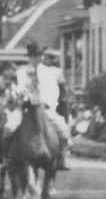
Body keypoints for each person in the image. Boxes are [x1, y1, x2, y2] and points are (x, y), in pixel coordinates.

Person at [5, 41, 71, 170]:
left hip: (44, 108)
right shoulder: (21, 72)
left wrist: (47, 102)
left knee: (63, 128)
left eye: (40, 55)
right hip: (25, 108)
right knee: (9, 127)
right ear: (30, 57)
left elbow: (53, 91)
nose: (39, 58)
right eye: (35, 55)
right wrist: (21, 96)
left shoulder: (49, 72)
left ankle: (62, 158)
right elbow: (17, 89)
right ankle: (8, 158)